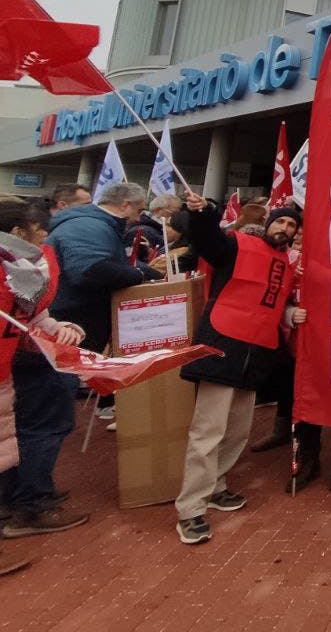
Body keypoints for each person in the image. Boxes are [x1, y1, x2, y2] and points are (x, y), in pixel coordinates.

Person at [173, 192, 303, 545]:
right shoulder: (235, 244)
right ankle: (191, 509)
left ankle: (216, 486)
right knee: (207, 432)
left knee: (238, 432)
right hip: (222, 346)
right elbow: (208, 241)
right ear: (268, 223)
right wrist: (204, 213)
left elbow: (277, 304)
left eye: (291, 224)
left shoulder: (287, 264)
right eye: (280, 221)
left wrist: (292, 314)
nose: (285, 227)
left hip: (256, 354)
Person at [0, 201, 88, 544]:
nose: (45, 237)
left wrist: (58, 330)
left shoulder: (27, 268)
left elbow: (31, 318)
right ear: (17, 233)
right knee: (34, 430)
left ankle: (14, 506)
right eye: (39, 230)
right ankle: (28, 507)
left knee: (9, 440)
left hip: (6, 372)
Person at [45, 182, 160, 357]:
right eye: (139, 211)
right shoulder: (89, 226)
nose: (138, 219)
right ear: (125, 204)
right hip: (74, 317)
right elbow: (90, 271)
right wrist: (138, 274)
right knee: (69, 369)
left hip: (77, 314)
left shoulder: (98, 224)